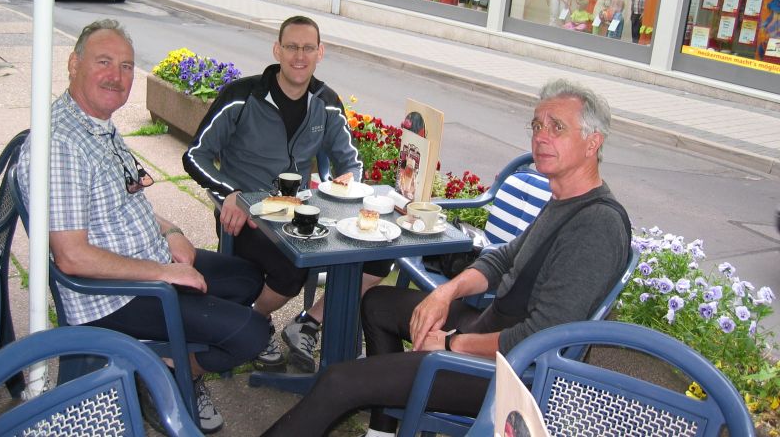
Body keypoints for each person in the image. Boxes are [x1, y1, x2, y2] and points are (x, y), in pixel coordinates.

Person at [261, 78, 631, 437]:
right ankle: (383, 429)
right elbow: (501, 259)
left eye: (557, 127)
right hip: (489, 329)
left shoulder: (597, 225)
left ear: (592, 142)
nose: (540, 135)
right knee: (377, 303)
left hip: (511, 374)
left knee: (339, 381)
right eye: (537, 124)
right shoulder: (565, 200)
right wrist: (444, 293)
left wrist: (453, 345)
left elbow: (540, 337)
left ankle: (395, 395)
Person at [16, 19, 270, 433]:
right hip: (114, 297)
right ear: (73, 64)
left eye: (127, 66)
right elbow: (72, 256)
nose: (117, 77)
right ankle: (167, 372)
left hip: (146, 258)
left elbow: (129, 194)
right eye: (104, 62)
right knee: (251, 335)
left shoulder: (96, 125)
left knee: (245, 279)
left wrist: (171, 231)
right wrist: (165, 273)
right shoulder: (61, 145)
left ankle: (167, 364)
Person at [183, 15, 393, 374]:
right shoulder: (241, 97)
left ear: (320, 52)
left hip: (302, 216)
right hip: (248, 217)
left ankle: (308, 323)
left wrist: (346, 181)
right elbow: (194, 155)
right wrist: (230, 194)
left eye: (308, 48)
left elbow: (350, 162)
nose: (300, 56)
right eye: (292, 47)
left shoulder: (326, 102)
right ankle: (255, 321)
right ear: (277, 50)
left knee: (376, 259)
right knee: (290, 268)